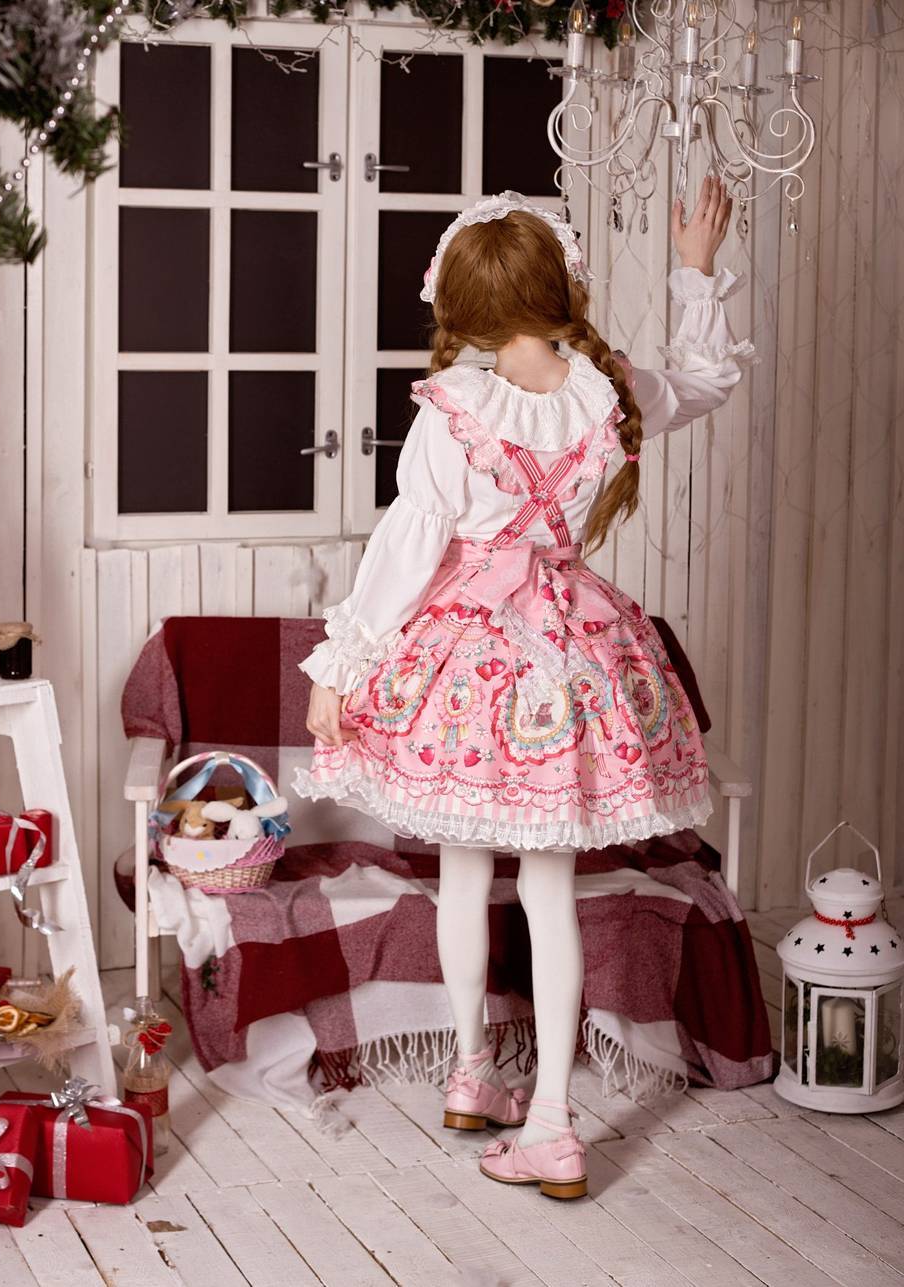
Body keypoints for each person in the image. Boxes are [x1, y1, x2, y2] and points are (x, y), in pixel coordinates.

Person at [294, 178, 753, 1199]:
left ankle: (491, 1086)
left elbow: (407, 550)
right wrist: (695, 267)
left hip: (468, 664)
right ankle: (534, 1107)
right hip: (571, 654)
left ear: (460, 304)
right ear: (562, 287)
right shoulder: (608, 389)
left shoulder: (453, 407)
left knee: (463, 871)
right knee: (549, 891)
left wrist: (343, 662)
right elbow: (707, 379)